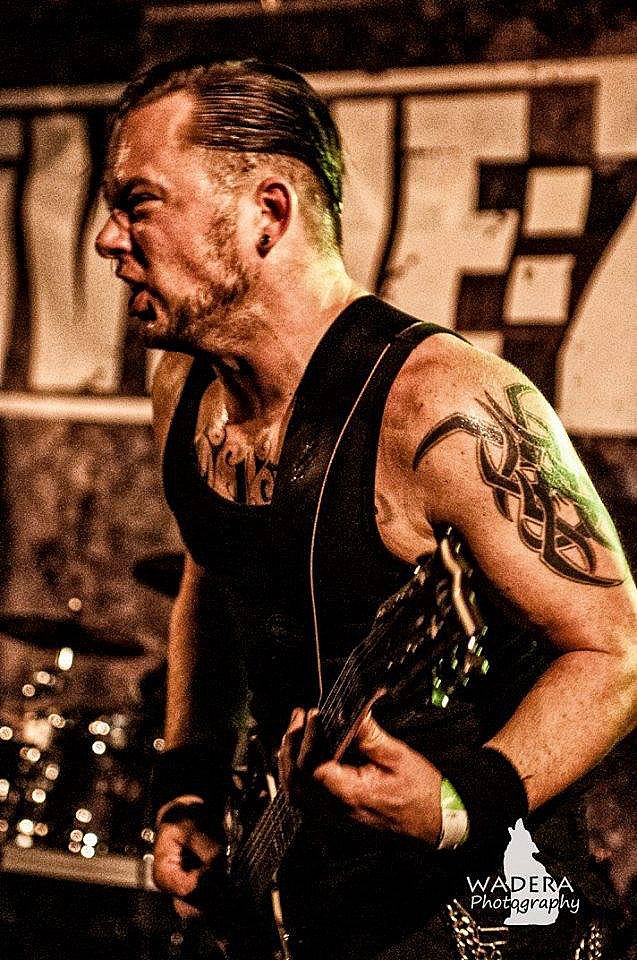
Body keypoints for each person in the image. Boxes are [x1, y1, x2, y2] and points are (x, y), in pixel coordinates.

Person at [96, 58, 637, 959]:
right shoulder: (183, 387)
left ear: (267, 212)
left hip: (479, 906)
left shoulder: (443, 407)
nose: (106, 240)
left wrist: (457, 801)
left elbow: (615, 652)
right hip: (298, 886)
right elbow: (211, 579)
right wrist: (189, 784)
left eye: (138, 203)